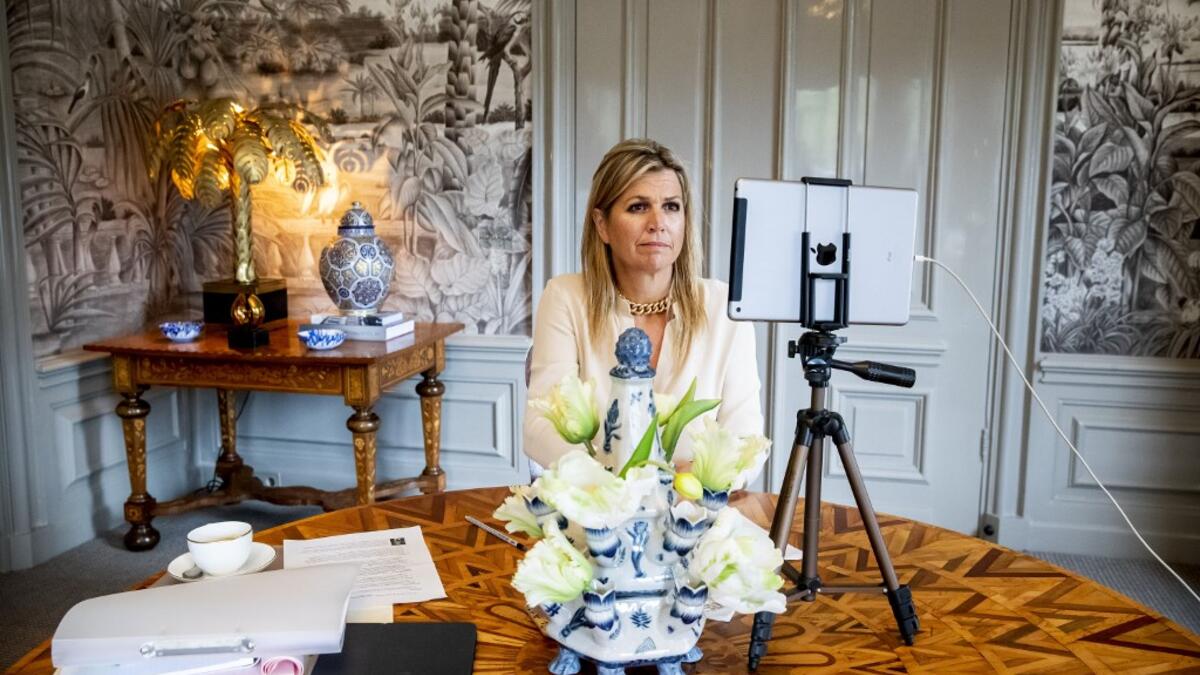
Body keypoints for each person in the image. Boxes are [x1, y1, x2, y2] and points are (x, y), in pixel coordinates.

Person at [523, 138, 764, 469]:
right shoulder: (566, 297)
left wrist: (685, 485)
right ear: (602, 225)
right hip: (594, 498)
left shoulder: (724, 308)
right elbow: (540, 429)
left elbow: (746, 442)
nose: (658, 222)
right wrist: (616, 489)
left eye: (671, 207)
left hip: (692, 499)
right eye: (638, 207)